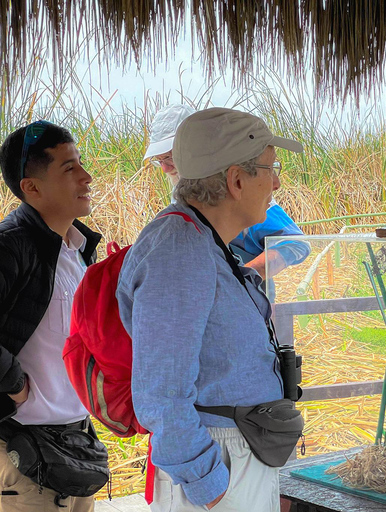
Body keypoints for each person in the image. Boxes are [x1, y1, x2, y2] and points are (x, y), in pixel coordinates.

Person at [118, 108, 304, 511]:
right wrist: (210, 484)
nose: (275, 182)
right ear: (237, 180)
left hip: (233, 452)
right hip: (217, 461)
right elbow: (162, 392)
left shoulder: (203, 241)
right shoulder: (179, 248)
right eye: (269, 169)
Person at [0, 121, 102, 511]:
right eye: (69, 168)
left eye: (81, 163)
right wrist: (14, 385)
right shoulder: (10, 247)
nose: (86, 177)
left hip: (75, 444)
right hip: (21, 451)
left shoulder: (77, 249)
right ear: (32, 187)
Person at [144, 104, 309, 281]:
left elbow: (295, 242)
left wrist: (242, 279)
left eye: (170, 157)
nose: (164, 168)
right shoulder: (172, 221)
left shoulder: (241, 198)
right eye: (159, 160)